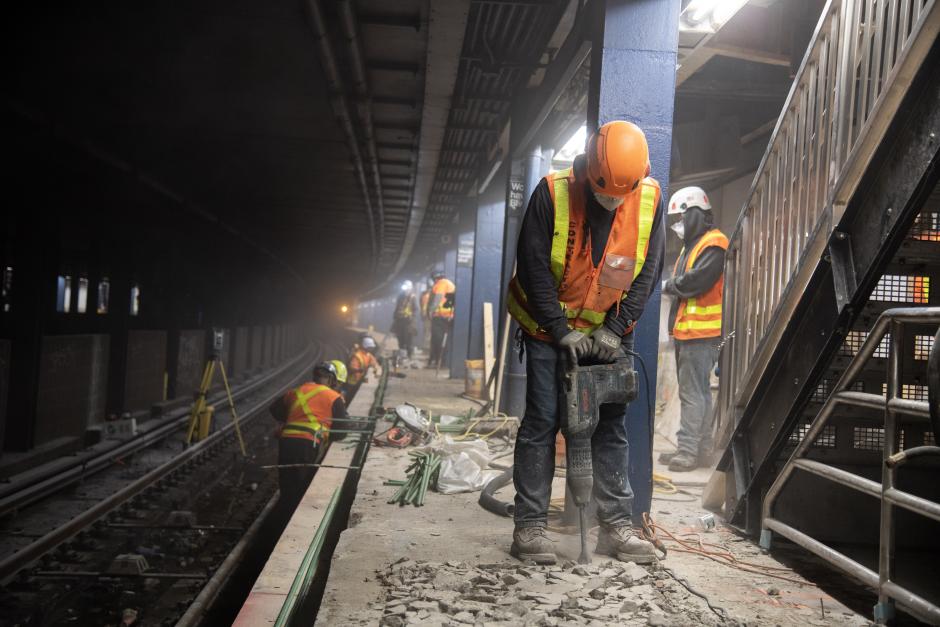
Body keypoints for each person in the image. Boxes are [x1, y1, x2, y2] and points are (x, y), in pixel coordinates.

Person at [505, 121, 665, 565]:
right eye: (604, 192)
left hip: (608, 331)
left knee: (610, 426)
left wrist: (616, 328)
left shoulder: (648, 198)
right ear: (588, 169)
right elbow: (533, 266)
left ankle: (615, 527)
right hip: (545, 327)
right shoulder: (552, 193)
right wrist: (560, 330)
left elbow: (648, 270)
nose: (612, 201)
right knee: (542, 421)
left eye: (620, 195)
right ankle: (530, 528)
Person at [658, 186, 728, 472]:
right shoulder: (692, 247)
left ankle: (688, 452)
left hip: (702, 334)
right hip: (690, 333)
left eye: (681, 218)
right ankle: (699, 451)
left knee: (693, 394)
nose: (678, 225)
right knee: (697, 392)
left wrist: (666, 286)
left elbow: (695, 282)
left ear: (695, 215)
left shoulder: (714, 243)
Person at [269, 361, 348, 509]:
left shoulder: (296, 391)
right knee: (302, 483)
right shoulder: (333, 397)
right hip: (308, 443)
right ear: (331, 379)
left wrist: (292, 418)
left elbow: (274, 408)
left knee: (287, 481)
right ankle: (292, 514)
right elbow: (341, 432)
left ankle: (283, 510)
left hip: (286, 440)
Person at [427, 271, 455, 368]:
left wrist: (431, 310)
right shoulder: (450, 284)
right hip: (449, 316)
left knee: (437, 340)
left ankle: (440, 362)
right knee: (444, 340)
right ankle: (442, 361)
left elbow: (438, 298)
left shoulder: (441, 284)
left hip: (440, 316)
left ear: (435, 278)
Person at [345, 335, 381, 403]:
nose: (372, 349)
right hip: (352, 381)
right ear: (366, 346)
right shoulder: (357, 355)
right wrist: (360, 370)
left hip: (359, 380)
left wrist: (376, 368)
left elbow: (374, 363)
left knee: (352, 397)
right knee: (348, 397)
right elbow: (352, 367)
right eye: (370, 347)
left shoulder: (368, 355)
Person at [391, 280, 419, 359]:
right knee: (400, 338)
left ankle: (409, 355)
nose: (405, 289)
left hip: (409, 322)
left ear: (410, 288)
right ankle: (402, 354)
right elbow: (397, 307)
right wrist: (395, 316)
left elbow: (416, 309)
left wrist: (411, 317)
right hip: (400, 321)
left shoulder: (413, 297)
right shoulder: (400, 296)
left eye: (406, 287)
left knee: (408, 339)